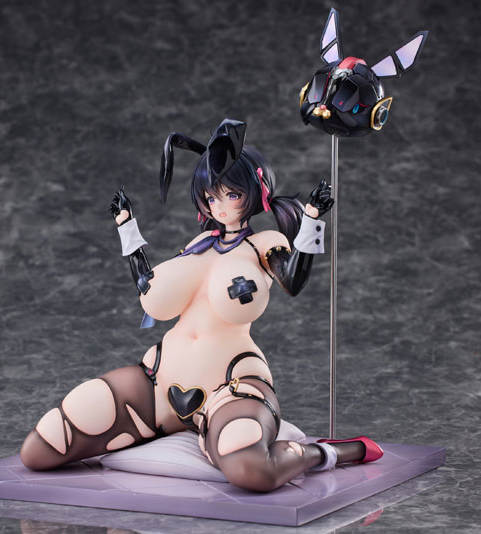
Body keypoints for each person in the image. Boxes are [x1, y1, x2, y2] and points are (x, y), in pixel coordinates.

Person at [20, 119, 382, 492]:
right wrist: (126, 226)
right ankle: (166, 430)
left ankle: (329, 453)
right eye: (211, 198)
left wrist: (311, 221)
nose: (219, 206)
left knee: (251, 468)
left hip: (230, 384)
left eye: (232, 195)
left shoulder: (264, 244)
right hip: (158, 380)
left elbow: (293, 281)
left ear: (255, 192)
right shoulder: (197, 246)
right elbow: (148, 284)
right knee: (43, 447)